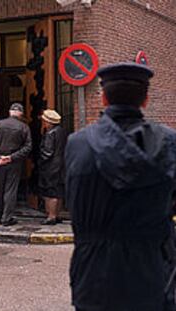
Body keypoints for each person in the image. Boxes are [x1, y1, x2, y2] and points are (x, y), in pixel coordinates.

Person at [65, 63, 176, 311]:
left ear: (104, 98)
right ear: (145, 100)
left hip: (92, 275)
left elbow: (72, 200)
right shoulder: (169, 143)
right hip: (151, 272)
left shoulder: (77, 144)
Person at [0, 103, 32, 226]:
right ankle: (7, 218)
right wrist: (12, 157)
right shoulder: (24, 127)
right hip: (14, 163)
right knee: (10, 190)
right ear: (21, 113)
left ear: (9, 112)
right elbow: (28, 147)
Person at [38, 109, 67, 225]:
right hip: (62, 165)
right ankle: (57, 214)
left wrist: (40, 160)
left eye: (44, 121)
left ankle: (51, 216)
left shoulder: (50, 134)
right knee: (59, 191)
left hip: (51, 167)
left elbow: (47, 152)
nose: (43, 123)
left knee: (50, 192)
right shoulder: (62, 131)